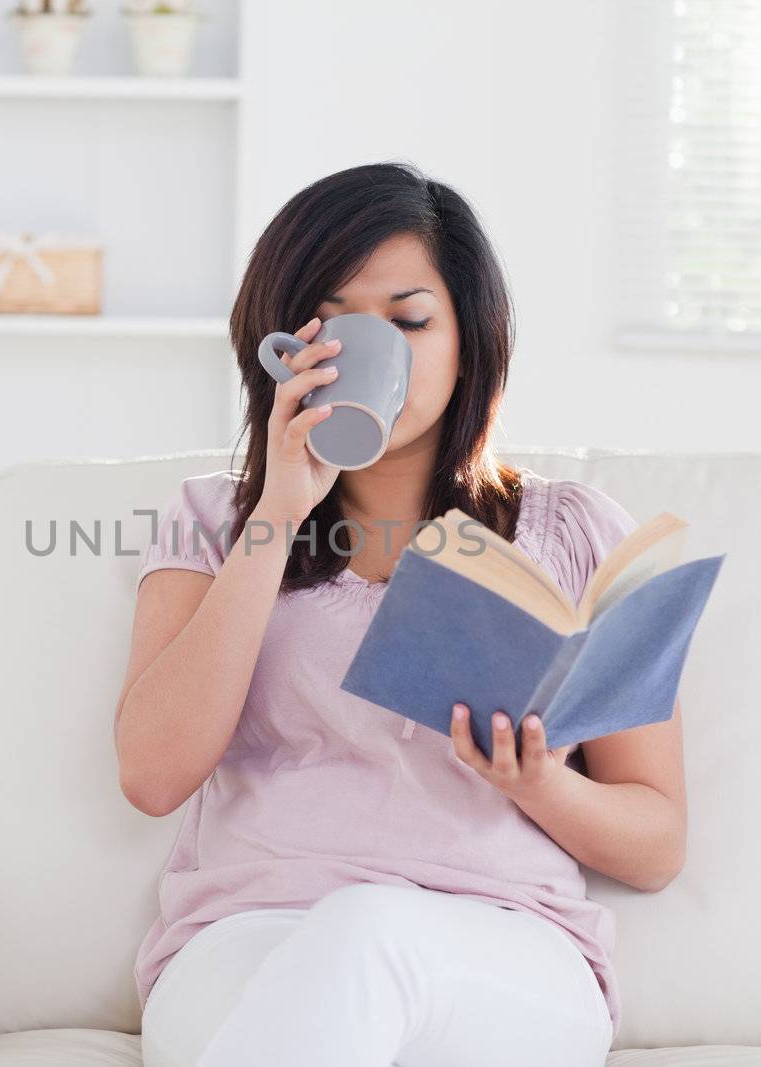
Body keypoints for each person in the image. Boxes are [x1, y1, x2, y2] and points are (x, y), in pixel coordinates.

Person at [113, 161, 687, 1067]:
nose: (371, 348)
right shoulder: (213, 521)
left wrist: (538, 784)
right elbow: (151, 775)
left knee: (370, 930)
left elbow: (656, 842)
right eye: (334, 323)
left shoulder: (574, 532)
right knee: (348, 943)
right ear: (281, 343)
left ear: (470, 339)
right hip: (248, 940)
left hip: (501, 951)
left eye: (410, 320)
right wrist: (279, 512)